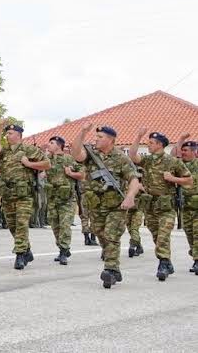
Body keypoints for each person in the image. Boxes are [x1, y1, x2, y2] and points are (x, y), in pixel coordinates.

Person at [72, 124, 141, 289]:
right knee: (100, 233)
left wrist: (130, 196)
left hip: (116, 205)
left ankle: (110, 269)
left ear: (111, 140)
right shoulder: (91, 155)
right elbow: (76, 153)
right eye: (96, 136)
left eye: (100, 137)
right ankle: (114, 267)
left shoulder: (121, 158)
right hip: (95, 205)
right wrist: (82, 132)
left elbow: (134, 179)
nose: (96, 139)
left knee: (111, 235)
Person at [129, 129, 192, 281]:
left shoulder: (173, 162)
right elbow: (132, 155)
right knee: (157, 236)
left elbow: (189, 181)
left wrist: (173, 179)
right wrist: (138, 136)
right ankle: (167, 262)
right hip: (150, 206)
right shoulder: (148, 160)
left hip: (166, 207)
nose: (148, 145)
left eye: (151, 143)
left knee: (163, 235)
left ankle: (163, 263)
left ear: (160, 145)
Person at [0, 120, 50, 270]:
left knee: (21, 224)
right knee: (12, 226)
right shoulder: (5, 151)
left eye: (10, 133)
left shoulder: (28, 149)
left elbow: (46, 164)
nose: (7, 136)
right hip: (8, 193)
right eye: (6, 133)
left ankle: (20, 255)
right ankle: (27, 249)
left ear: (18, 135)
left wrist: (29, 164)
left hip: (25, 195)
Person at [43, 136, 85, 265]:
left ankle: (63, 250)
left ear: (59, 145)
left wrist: (71, 174)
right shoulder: (47, 160)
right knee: (55, 226)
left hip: (67, 199)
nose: (48, 145)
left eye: (52, 143)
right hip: (52, 198)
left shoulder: (69, 159)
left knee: (65, 225)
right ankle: (62, 247)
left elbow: (83, 174)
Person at [171, 136, 198, 274]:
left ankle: (197, 261)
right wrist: (180, 140)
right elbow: (172, 157)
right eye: (182, 150)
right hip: (186, 206)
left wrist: (173, 179)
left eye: (186, 150)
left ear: (194, 152)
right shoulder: (181, 165)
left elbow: (191, 181)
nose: (183, 153)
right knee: (190, 235)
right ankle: (195, 256)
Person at [126, 166, 145, 258]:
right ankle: (139, 246)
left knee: (134, 228)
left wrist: (143, 189)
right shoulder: (128, 182)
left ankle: (132, 246)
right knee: (130, 228)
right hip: (129, 209)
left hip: (139, 209)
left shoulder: (144, 183)